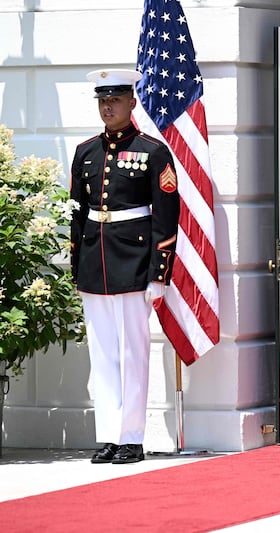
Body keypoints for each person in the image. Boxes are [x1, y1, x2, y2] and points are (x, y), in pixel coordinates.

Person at [70, 68, 180, 464]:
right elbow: (78, 213)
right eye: (102, 100)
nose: (107, 106)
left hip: (134, 263)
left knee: (134, 352)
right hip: (94, 263)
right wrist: (76, 264)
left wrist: (159, 273)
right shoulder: (86, 151)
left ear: (132, 103)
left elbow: (166, 216)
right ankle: (109, 436)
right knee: (102, 354)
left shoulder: (152, 150)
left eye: (115, 99)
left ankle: (132, 438)